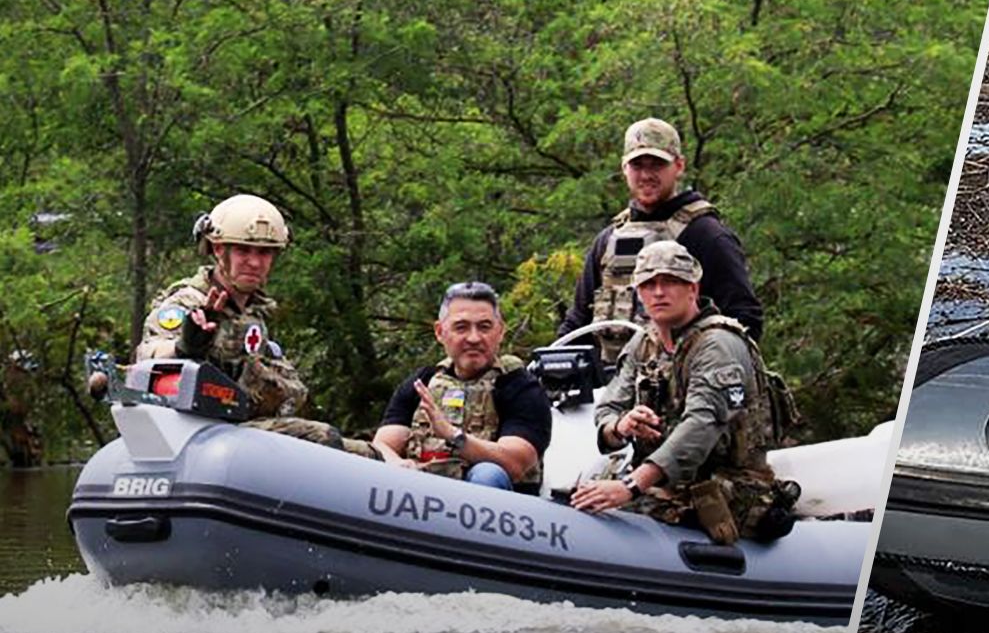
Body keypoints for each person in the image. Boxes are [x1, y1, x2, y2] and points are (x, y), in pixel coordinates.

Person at [570, 241, 793, 545]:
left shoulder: (718, 345)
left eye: (670, 282)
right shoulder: (644, 344)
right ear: (638, 293)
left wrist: (631, 487)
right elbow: (608, 407)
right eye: (648, 284)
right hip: (666, 481)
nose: (658, 292)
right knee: (578, 497)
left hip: (727, 482)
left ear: (693, 288)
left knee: (631, 508)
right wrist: (620, 426)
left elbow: (700, 425)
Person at [137, 194, 374, 456]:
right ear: (218, 250)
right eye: (243, 250)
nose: (254, 262)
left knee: (362, 451)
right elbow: (149, 353)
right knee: (320, 437)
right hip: (199, 430)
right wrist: (185, 346)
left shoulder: (254, 313)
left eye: (264, 252)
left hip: (242, 426)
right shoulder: (189, 302)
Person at [558, 117, 762, 364]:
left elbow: (744, 320)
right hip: (611, 387)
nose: (646, 174)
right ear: (624, 169)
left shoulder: (707, 236)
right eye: (637, 165)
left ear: (678, 166)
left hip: (685, 385)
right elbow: (577, 323)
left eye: (656, 164)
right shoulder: (607, 240)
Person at [372, 282, 551, 490]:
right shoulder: (422, 382)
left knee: (488, 474)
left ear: (500, 331)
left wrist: (452, 434)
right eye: (461, 327)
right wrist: (397, 463)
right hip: (417, 493)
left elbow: (516, 463)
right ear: (440, 332)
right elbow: (382, 444)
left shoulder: (519, 386)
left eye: (484, 327)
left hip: (492, 504)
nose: (474, 338)